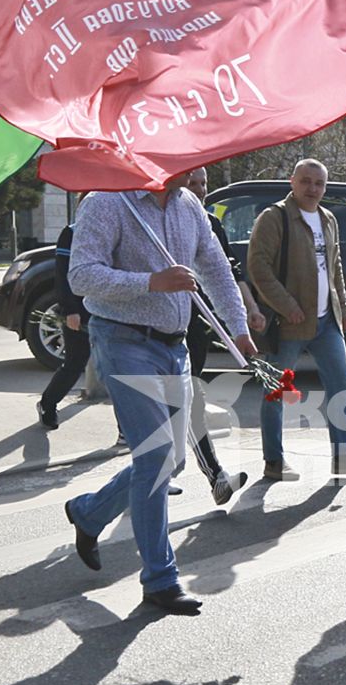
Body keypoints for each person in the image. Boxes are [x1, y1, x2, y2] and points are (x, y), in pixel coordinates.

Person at [63, 173, 256, 614]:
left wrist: (239, 328)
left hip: (175, 345)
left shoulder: (188, 205)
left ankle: (89, 513)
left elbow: (215, 268)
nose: (192, 165)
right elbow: (81, 276)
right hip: (122, 340)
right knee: (155, 456)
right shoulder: (107, 200)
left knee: (173, 458)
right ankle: (160, 580)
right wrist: (151, 281)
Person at [247, 160, 346, 482]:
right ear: (292, 182)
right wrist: (285, 304)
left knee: (341, 383)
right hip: (289, 323)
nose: (312, 188)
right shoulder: (274, 218)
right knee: (276, 390)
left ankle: (342, 457)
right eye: (306, 181)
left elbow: (336, 266)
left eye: (319, 183)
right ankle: (274, 462)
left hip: (326, 321)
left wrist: (342, 308)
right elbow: (258, 266)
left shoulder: (328, 219)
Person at [180, 164, 266, 506]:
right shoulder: (159, 220)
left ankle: (209, 475)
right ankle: (211, 473)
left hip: (194, 327)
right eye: (193, 181)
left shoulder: (209, 223)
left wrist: (248, 313)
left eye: (204, 183)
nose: (200, 189)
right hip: (155, 330)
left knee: (188, 403)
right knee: (181, 407)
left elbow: (228, 274)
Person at [36, 222, 88, 431]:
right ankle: (48, 404)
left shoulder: (114, 226)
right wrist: (69, 309)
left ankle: (125, 428)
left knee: (115, 368)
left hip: (109, 308)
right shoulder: (72, 231)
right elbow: (61, 273)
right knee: (75, 363)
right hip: (79, 308)